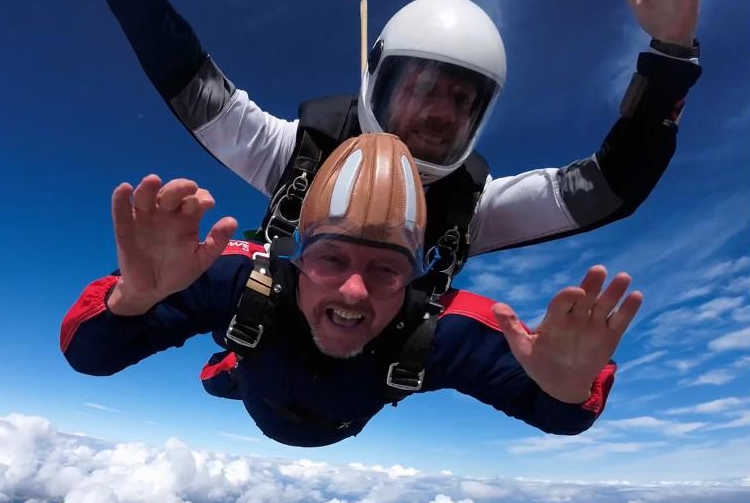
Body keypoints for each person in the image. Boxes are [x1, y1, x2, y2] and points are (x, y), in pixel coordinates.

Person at [61, 134, 642, 447]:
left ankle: (242, 363)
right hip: (254, 384)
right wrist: (135, 298)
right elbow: (89, 355)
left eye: (388, 270)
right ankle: (236, 365)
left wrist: (565, 390)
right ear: (294, 256)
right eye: (331, 259)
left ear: (417, 279)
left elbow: (561, 415)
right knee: (225, 375)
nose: (356, 290)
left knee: (252, 364)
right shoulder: (240, 280)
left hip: (328, 414)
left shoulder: (442, 329)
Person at [105, 0, 701, 296]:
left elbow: (607, 187)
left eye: (463, 99)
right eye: (421, 87)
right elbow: (193, 84)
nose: (441, 110)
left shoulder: (474, 206)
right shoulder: (295, 153)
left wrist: (672, 53)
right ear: (378, 79)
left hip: (367, 380)